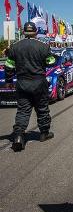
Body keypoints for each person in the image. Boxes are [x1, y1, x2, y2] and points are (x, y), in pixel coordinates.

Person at [4, 22, 55, 151]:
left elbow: (9, 66)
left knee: (22, 110)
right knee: (42, 108)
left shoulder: (15, 47)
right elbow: (51, 62)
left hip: (22, 83)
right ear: (36, 32)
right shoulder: (43, 46)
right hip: (39, 82)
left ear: (23, 32)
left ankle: (19, 137)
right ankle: (44, 133)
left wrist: (9, 80)